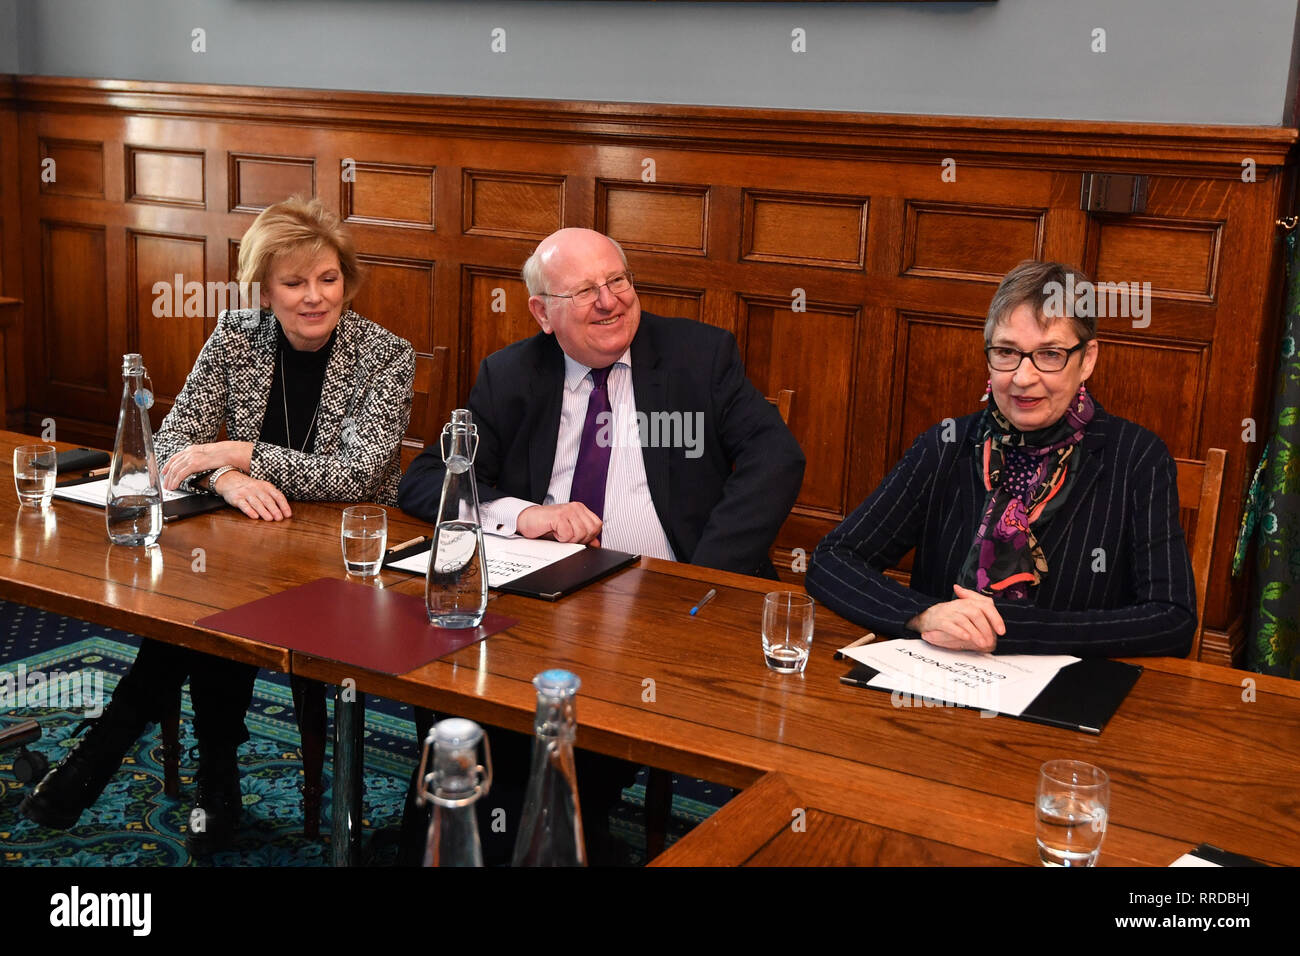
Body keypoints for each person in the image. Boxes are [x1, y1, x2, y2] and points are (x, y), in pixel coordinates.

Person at [20, 196, 415, 855]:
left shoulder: (385, 355)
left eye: (329, 278)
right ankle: (216, 777)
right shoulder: (237, 335)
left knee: (207, 612)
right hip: (248, 542)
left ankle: (111, 758)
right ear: (264, 289)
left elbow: (359, 473)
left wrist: (238, 454)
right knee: (210, 605)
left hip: (341, 557)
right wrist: (226, 480)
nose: (316, 297)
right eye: (294, 283)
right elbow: (171, 442)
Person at [396, 226, 804, 863]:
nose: (610, 301)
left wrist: (699, 580)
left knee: (570, 746)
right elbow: (426, 479)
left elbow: (776, 457)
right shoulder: (511, 375)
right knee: (455, 711)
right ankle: (457, 837)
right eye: (586, 291)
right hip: (543, 604)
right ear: (543, 313)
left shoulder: (700, 357)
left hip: (662, 612)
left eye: (618, 282)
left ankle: (553, 837)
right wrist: (526, 513)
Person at [807, 260, 1195, 658]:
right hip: (939, 685)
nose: (1023, 378)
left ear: (1088, 359)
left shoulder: (1137, 457)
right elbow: (831, 561)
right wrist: (922, 614)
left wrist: (1009, 630)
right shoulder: (947, 444)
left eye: (1050, 354)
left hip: (1064, 700)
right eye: (1006, 352)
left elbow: (1172, 620)